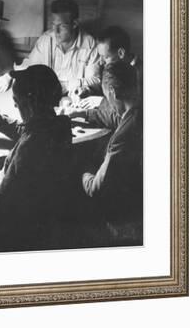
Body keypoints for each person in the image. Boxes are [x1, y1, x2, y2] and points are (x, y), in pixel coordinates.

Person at [0, 65, 74, 250]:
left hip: (11, 229)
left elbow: (1, 212)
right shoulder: (59, 126)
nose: (14, 105)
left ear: (29, 103)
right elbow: (26, 129)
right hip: (40, 217)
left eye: (16, 101)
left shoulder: (30, 148)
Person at [81, 61, 143, 245]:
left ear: (113, 93)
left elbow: (95, 189)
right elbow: (117, 116)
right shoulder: (141, 111)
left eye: (107, 98)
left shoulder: (122, 138)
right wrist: (82, 115)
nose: (108, 102)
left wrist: (79, 167)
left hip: (124, 213)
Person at [0, 0, 100, 94]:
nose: (56, 31)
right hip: (47, 97)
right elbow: (30, 66)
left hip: (74, 97)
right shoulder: (46, 39)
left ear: (75, 24)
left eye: (62, 26)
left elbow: (95, 80)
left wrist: (67, 86)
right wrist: (10, 75)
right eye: (54, 25)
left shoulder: (90, 44)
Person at [67, 25, 143, 130]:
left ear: (121, 53)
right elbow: (108, 86)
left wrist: (100, 103)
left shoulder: (141, 76)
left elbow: (123, 116)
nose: (101, 62)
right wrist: (87, 90)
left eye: (105, 57)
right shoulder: (113, 66)